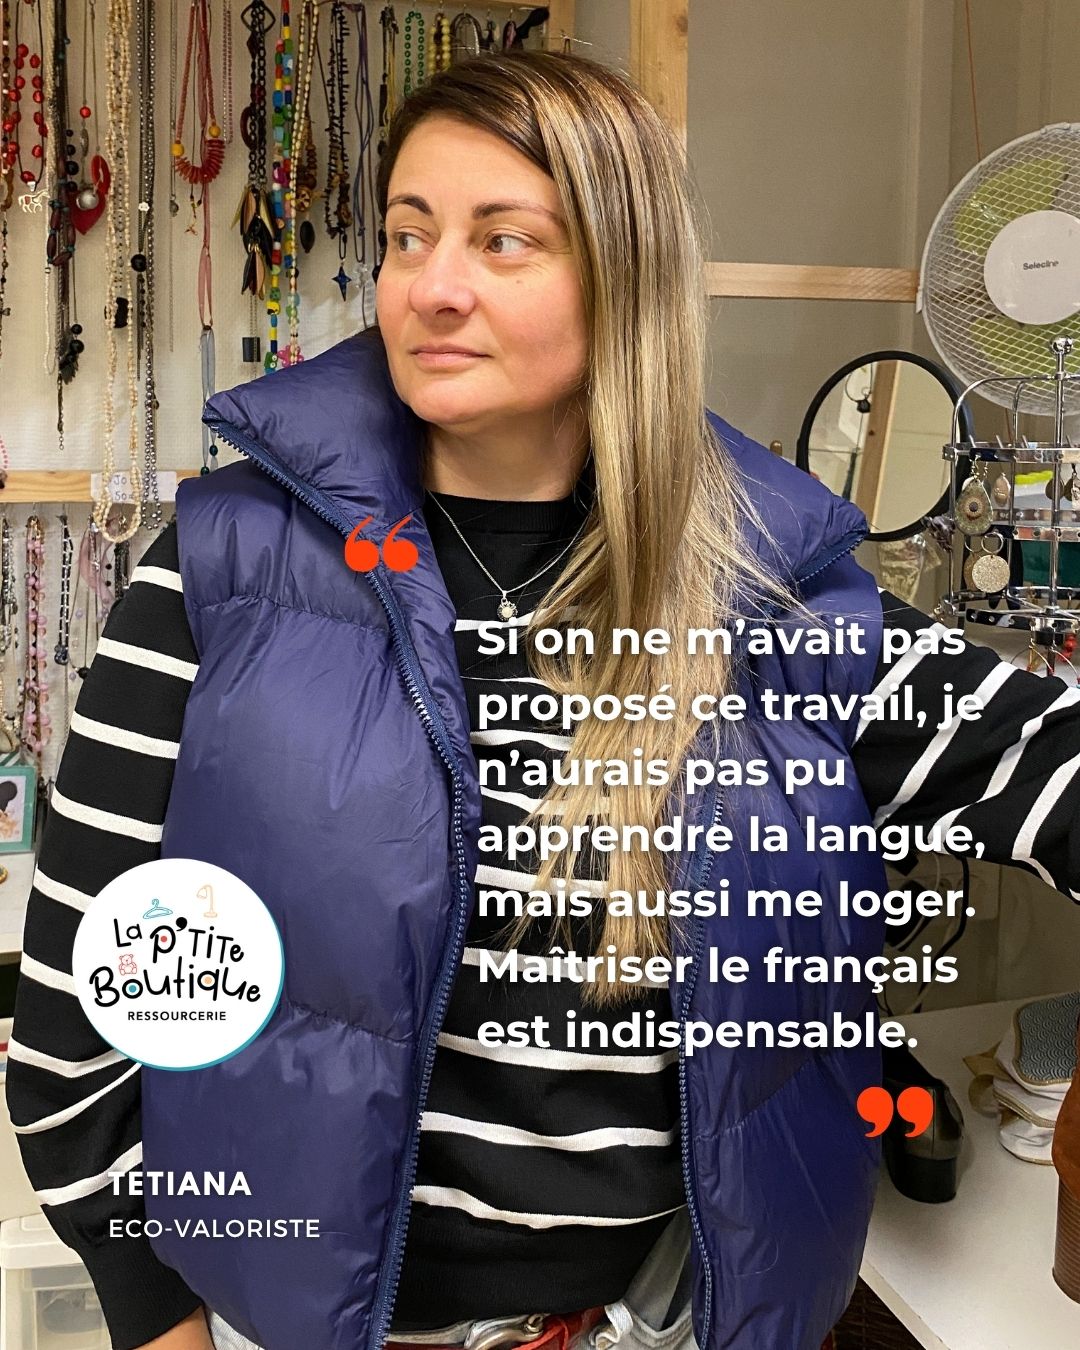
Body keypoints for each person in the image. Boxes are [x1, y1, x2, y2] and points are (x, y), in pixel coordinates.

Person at [6, 50, 1080, 1350]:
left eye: (503, 239)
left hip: (669, 1320)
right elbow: (75, 1021)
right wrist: (154, 1316)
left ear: (628, 279)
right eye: (410, 234)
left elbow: (1053, 773)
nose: (433, 284)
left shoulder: (777, 596)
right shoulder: (226, 565)